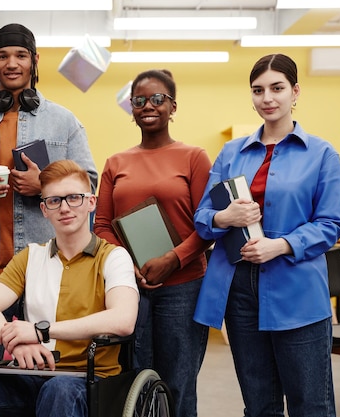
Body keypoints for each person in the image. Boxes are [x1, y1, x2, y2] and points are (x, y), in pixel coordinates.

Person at [193, 54, 340, 416]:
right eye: (258, 90)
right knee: (259, 404)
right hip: (239, 290)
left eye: (277, 88)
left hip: (298, 289)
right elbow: (202, 217)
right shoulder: (231, 153)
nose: (267, 98)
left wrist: (281, 245)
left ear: (295, 92)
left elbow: (331, 224)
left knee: (311, 403)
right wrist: (225, 216)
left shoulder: (322, 154)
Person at [0, 23, 97, 368]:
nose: (12, 63)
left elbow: (90, 183)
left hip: (46, 268)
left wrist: (44, 185)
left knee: (48, 367)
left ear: (34, 61)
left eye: (21, 55)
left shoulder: (64, 121)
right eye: (3, 56)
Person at [0, 160, 139, 417]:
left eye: (74, 198)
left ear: (91, 203)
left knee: (59, 390)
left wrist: (38, 333)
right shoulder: (31, 256)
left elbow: (123, 320)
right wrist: (16, 343)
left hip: (90, 377)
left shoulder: (114, 257)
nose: (65, 207)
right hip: (32, 372)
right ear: (44, 209)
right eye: (54, 201)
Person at [93, 69, 212, 417]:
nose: (148, 106)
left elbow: (207, 227)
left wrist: (172, 260)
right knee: (133, 381)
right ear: (131, 108)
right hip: (128, 288)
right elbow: (101, 226)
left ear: (173, 106)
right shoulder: (116, 162)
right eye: (139, 100)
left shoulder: (194, 157)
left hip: (183, 286)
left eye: (158, 99)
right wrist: (127, 267)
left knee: (178, 382)